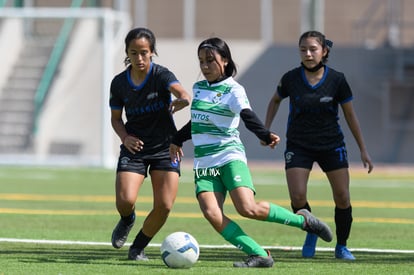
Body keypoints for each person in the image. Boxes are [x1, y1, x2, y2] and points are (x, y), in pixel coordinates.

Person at [169, 37, 333, 268]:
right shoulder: (199, 88)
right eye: (201, 61)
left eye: (210, 60)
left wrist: (264, 135)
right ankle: (259, 254)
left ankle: (303, 221)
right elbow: (197, 122)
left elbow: (247, 115)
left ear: (224, 61)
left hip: (228, 156)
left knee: (247, 208)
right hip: (204, 163)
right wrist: (176, 140)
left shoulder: (234, 89)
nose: (205, 66)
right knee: (212, 214)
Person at [263, 31, 374, 261]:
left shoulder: (337, 80)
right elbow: (274, 100)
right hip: (299, 144)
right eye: (303, 49)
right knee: (297, 196)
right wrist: (265, 130)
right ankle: (312, 230)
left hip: (331, 144)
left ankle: (342, 246)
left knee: (342, 197)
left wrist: (363, 149)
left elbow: (351, 116)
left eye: (313, 49)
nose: (308, 53)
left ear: (324, 51)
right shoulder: (291, 78)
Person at [109, 27, 191, 260]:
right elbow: (116, 119)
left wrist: (183, 100)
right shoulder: (118, 84)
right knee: (125, 201)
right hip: (135, 148)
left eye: (144, 52)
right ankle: (127, 219)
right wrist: (125, 138)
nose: (139, 58)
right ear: (127, 53)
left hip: (165, 147)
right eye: (134, 53)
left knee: (164, 205)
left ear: (152, 52)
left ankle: (138, 247)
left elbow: (181, 92)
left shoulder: (161, 75)